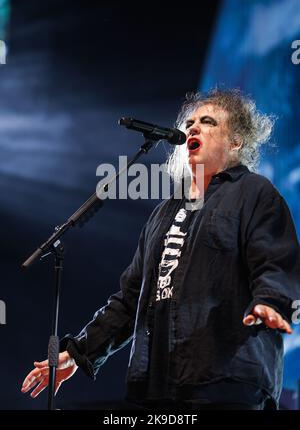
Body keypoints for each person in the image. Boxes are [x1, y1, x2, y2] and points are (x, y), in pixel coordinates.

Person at [21, 89, 300, 410]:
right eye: (190, 122)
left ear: (236, 142)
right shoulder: (164, 213)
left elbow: (277, 260)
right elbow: (130, 300)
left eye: (208, 122)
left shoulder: (254, 192)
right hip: (162, 381)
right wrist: (81, 350)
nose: (193, 128)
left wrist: (271, 301)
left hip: (228, 376)